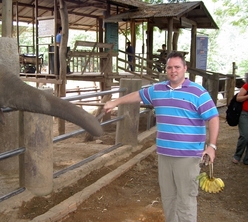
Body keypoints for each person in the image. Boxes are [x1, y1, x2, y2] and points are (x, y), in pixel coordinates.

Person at [104, 51, 219, 222]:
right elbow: (138, 95)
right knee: (168, 198)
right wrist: (115, 102)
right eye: (170, 67)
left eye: (177, 67)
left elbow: (213, 117)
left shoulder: (198, 92)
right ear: (166, 69)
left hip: (188, 156)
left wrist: (212, 146)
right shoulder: (158, 89)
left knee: (186, 199)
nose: (173, 71)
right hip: (164, 155)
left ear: (185, 69)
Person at [232, 81, 248, 164]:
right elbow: (238, 98)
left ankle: (247, 159)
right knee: (245, 135)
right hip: (245, 114)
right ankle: (237, 155)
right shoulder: (247, 85)